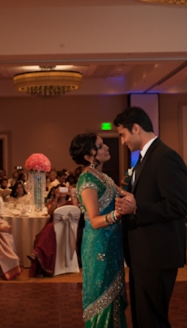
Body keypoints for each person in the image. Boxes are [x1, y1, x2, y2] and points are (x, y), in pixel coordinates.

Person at [114, 107, 187, 328]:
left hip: (157, 252)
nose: (122, 141)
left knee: (152, 319)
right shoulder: (145, 157)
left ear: (136, 128)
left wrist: (137, 208)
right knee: (142, 317)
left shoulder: (165, 156)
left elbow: (178, 206)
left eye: (123, 134)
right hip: (144, 254)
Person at [69, 133, 127, 327]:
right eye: (101, 146)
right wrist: (118, 214)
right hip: (99, 246)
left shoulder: (102, 176)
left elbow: (125, 194)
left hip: (112, 243)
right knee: (102, 297)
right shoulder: (87, 181)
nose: (107, 148)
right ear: (88, 156)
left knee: (114, 295)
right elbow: (93, 220)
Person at [28, 185, 74, 277]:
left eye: (63, 190)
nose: (61, 192)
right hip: (52, 225)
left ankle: (36, 253)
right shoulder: (52, 202)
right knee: (47, 231)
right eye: (59, 190)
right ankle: (38, 257)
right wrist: (56, 198)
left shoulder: (70, 203)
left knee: (50, 228)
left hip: (65, 227)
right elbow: (50, 213)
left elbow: (76, 210)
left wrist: (71, 194)